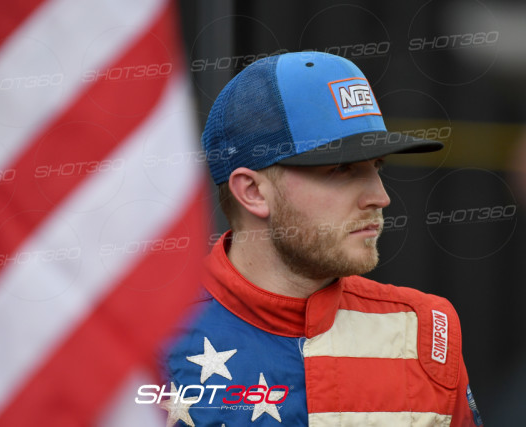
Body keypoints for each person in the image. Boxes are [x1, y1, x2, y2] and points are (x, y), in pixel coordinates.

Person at [157, 52, 483, 426]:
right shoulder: (147, 337)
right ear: (253, 192)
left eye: (377, 166)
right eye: (342, 169)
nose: (380, 197)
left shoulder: (424, 330)